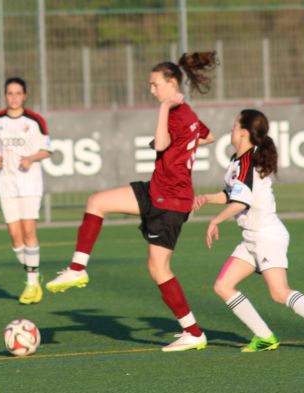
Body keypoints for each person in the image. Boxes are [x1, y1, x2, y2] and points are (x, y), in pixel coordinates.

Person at [45, 53, 218, 352]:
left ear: (172, 84)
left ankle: (193, 333)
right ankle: (77, 268)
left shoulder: (175, 113)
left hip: (170, 202)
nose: (151, 90)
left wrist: (164, 110)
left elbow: (162, 143)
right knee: (96, 201)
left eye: (155, 84)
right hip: (157, 191)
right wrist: (180, 145)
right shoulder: (186, 113)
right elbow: (209, 136)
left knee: (159, 269)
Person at [193, 109, 304, 352]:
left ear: (244, 132)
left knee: (279, 292)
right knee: (223, 286)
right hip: (251, 238)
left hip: (266, 236)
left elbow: (241, 202)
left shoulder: (248, 162)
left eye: (235, 125)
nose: (231, 129)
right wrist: (206, 198)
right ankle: (264, 336)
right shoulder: (237, 160)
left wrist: (216, 221)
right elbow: (231, 194)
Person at [0, 77, 52, 304]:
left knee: (28, 230)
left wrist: (31, 158)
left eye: (18, 93)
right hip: (7, 181)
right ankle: (34, 273)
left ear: (25, 96)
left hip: (30, 181)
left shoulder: (35, 120)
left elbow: (47, 150)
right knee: (14, 235)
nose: (14, 97)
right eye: (10, 93)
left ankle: (31, 283)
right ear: (5, 96)